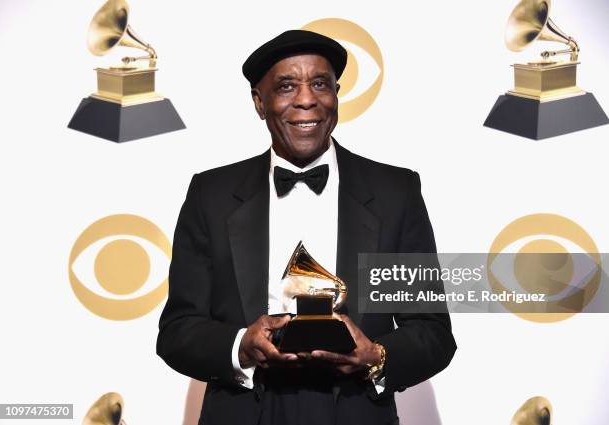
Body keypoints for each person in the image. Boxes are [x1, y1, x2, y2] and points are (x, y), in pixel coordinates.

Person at [157, 29, 456, 425]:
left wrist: (377, 357)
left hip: (355, 410)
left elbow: (432, 333)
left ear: (336, 96)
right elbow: (178, 331)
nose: (306, 99)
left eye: (320, 84)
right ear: (259, 102)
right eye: (286, 86)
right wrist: (240, 347)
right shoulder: (210, 194)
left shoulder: (395, 193)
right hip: (247, 410)